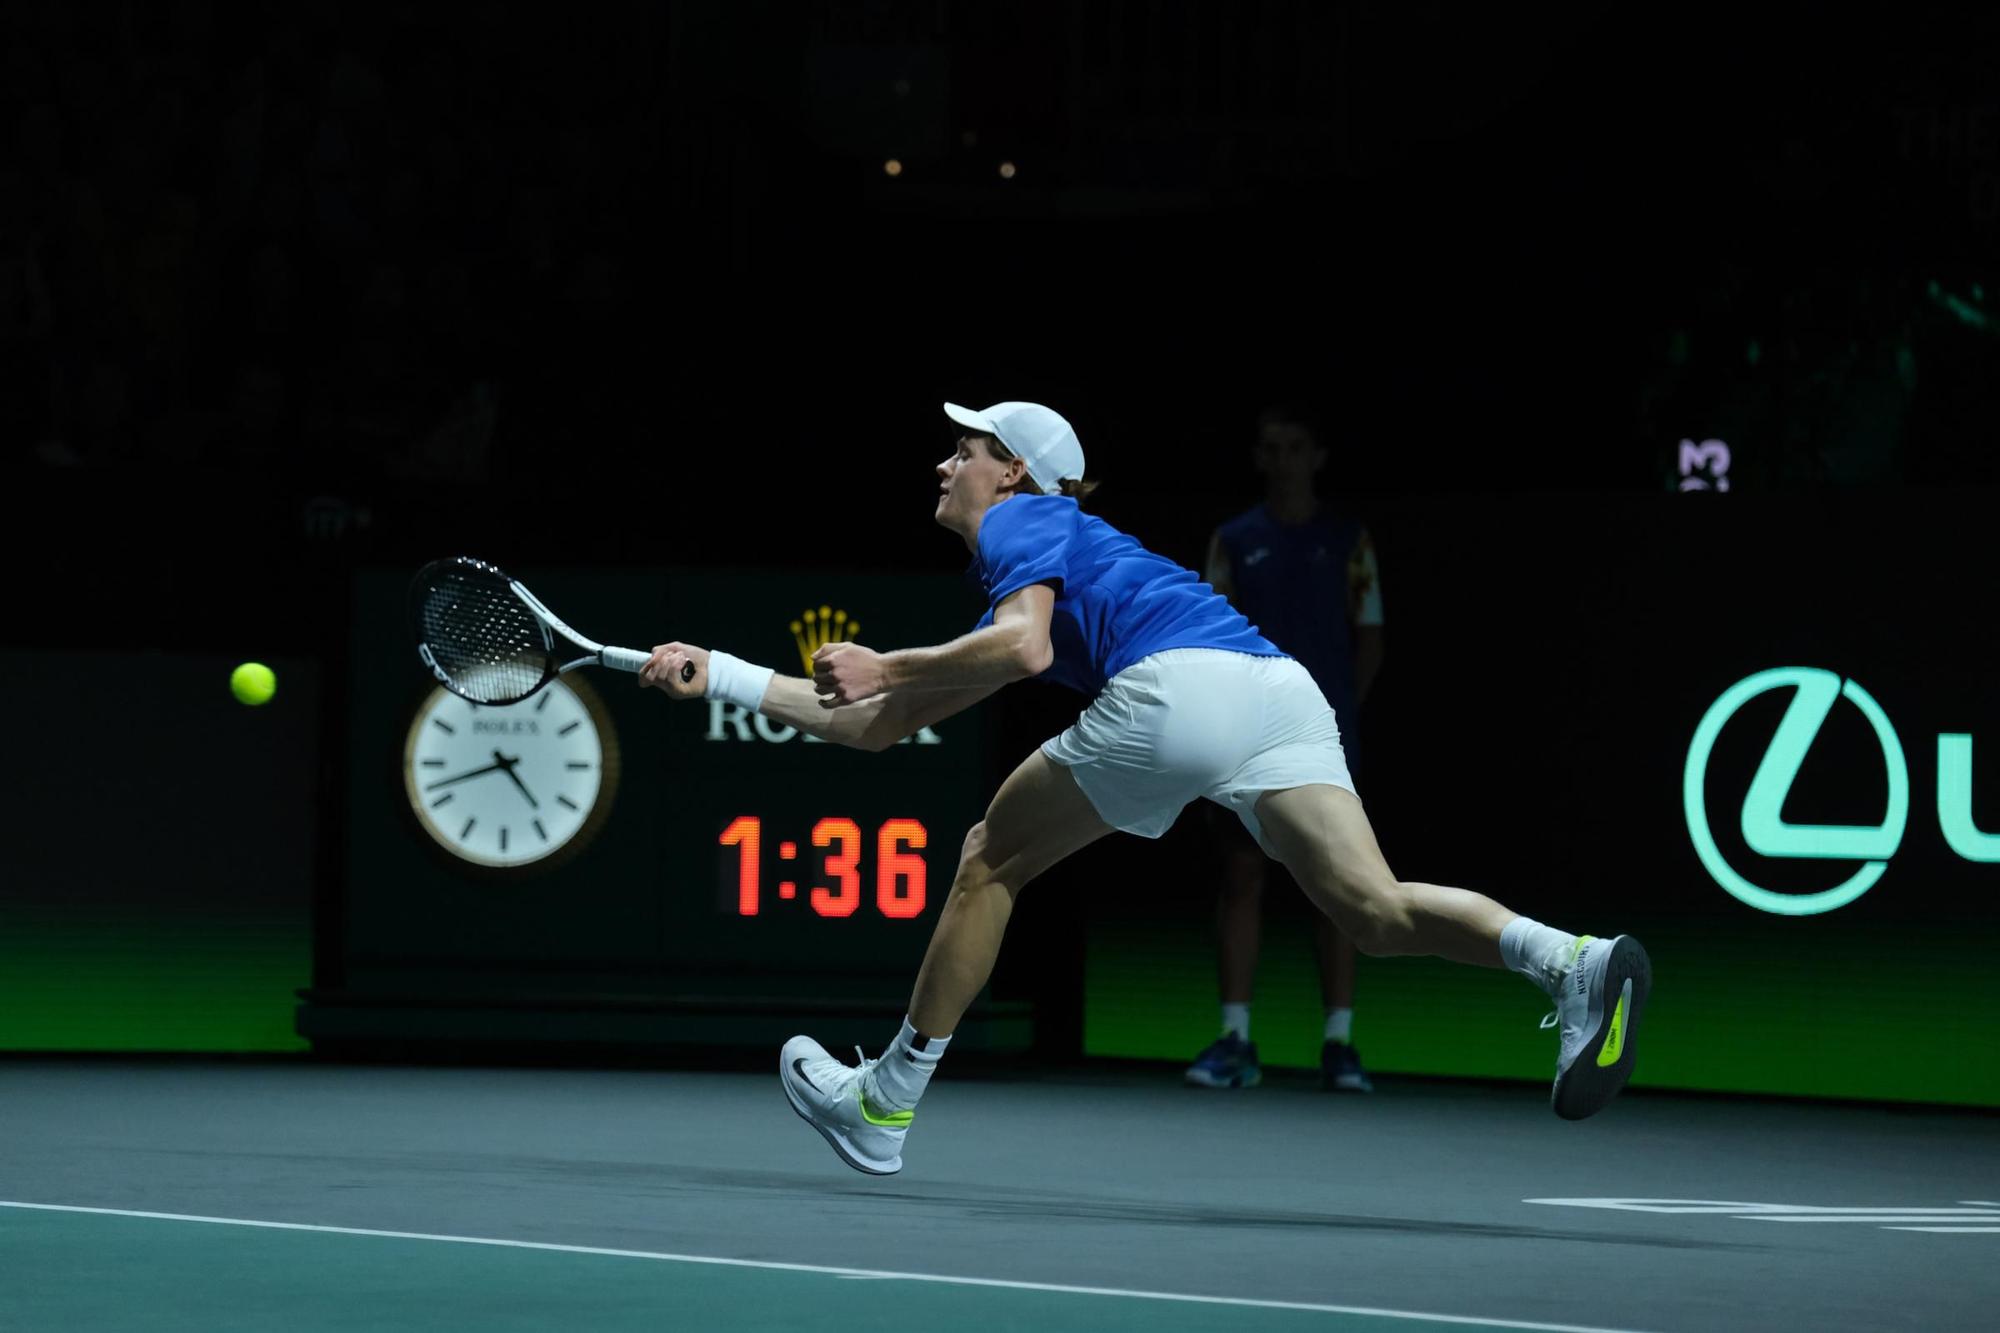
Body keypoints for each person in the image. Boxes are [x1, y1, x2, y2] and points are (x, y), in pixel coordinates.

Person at [638, 400, 1650, 1176]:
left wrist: (891, 662)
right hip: (1274, 690)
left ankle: (884, 1101)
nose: (946, 463)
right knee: (1373, 911)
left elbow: (1020, 651)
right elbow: (875, 727)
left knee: (986, 860)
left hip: (1181, 689)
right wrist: (721, 672)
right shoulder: (1030, 558)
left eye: (967, 448)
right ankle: (1570, 961)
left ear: (1016, 472)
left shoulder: (1018, 524)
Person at [1184, 404, 1383, 1095]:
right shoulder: (1234, 540)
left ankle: (1339, 1044)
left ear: (1316, 456)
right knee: (1242, 876)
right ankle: (1235, 1037)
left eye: (1296, 446)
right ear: (1260, 457)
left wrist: (1333, 717)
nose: (1284, 459)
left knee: (1337, 888)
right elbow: (1207, 630)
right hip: (1244, 733)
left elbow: (1371, 632)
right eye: (1272, 448)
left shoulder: (1348, 540)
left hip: (1325, 739)